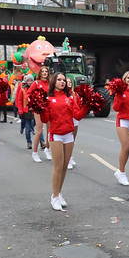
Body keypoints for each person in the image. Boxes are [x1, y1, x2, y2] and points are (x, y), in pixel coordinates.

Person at [39, 73, 89, 211]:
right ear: (54, 81)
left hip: (68, 134)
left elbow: (77, 115)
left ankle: (59, 193)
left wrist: (87, 106)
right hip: (56, 135)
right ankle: (54, 196)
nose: (62, 82)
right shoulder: (48, 98)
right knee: (58, 166)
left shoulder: (70, 98)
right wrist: (41, 110)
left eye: (63, 80)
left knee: (65, 166)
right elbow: (45, 119)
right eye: (59, 80)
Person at [29, 66, 50, 162]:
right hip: (38, 109)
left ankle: (47, 149)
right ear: (40, 73)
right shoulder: (36, 83)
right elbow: (28, 94)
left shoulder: (50, 84)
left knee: (50, 131)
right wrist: (33, 103)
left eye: (46, 71)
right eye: (43, 71)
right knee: (39, 131)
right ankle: (35, 152)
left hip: (48, 108)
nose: (45, 73)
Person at [16, 74, 35, 149]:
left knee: (35, 127)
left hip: (34, 110)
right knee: (27, 128)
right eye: (28, 80)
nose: (30, 82)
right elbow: (20, 100)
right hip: (26, 110)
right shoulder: (23, 89)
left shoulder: (35, 88)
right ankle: (29, 142)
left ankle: (42, 141)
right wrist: (20, 111)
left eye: (31, 80)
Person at [66, 78, 82, 169]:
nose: (69, 83)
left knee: (72, 140)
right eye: (67, 82)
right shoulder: (63, 94)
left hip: (74, 119)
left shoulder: (75, 94)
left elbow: (78, 106)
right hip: (66, 119)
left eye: (70, 82)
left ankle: (70, 156)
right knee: (67, 139)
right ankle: (67, 159)